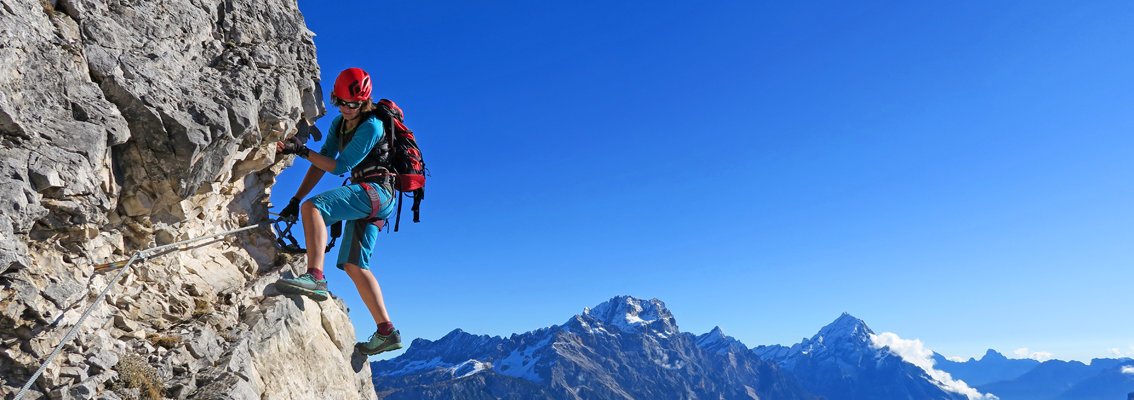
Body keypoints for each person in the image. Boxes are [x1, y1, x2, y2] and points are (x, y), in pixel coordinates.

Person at [274, 67, 401, 355]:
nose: (345, 108)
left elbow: (340, 166)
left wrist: (300, 150)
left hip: (377, 191)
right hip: (371, 195)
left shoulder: (372, 126)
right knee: (354, 265)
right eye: (340, 102)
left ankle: (315, 276)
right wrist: (295, 199)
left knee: (315, 207)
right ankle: (386, 332)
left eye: (352, 104)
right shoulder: (339, 124)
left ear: (364, 101)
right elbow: (322, 161)